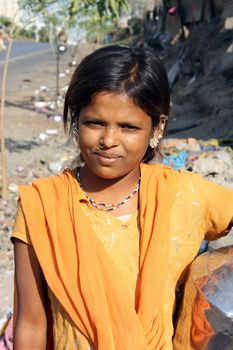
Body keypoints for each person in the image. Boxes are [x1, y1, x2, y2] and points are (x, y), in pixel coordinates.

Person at [11, 45, 233, 350]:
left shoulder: (184, 194)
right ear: (76, 121)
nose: (109, 141)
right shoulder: (44, 206)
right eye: (95, 123)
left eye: (128, 127)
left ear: (157, 128)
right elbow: (31, 324)